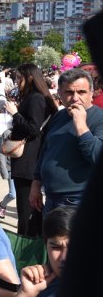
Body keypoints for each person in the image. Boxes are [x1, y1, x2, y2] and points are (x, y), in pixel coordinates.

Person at [31, 68, 103, 215]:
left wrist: (81, 125)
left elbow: (96, 156)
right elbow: (46, 151)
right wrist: (36, 184)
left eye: (81, 92)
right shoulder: (60, 116)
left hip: (77, 199)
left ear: (91, 93)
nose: (75, 98)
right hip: (51, 197)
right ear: (61, 94)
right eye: (69, 92)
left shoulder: (99, 118)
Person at [2, 63, 57, 236]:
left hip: (29, 159)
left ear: (30, 77)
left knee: (26, 209)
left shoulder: (36, 98)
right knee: (28, 207)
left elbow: (33, 129)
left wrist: (15, 114)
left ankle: (25, 242)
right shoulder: (34, 97)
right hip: (28, 158)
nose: (16, 81)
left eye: (19, 78)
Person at [16, 206, 73, 297]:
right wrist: (25, 293)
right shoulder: (41, 284)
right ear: (46, 246)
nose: (64, 257)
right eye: (56, 247)